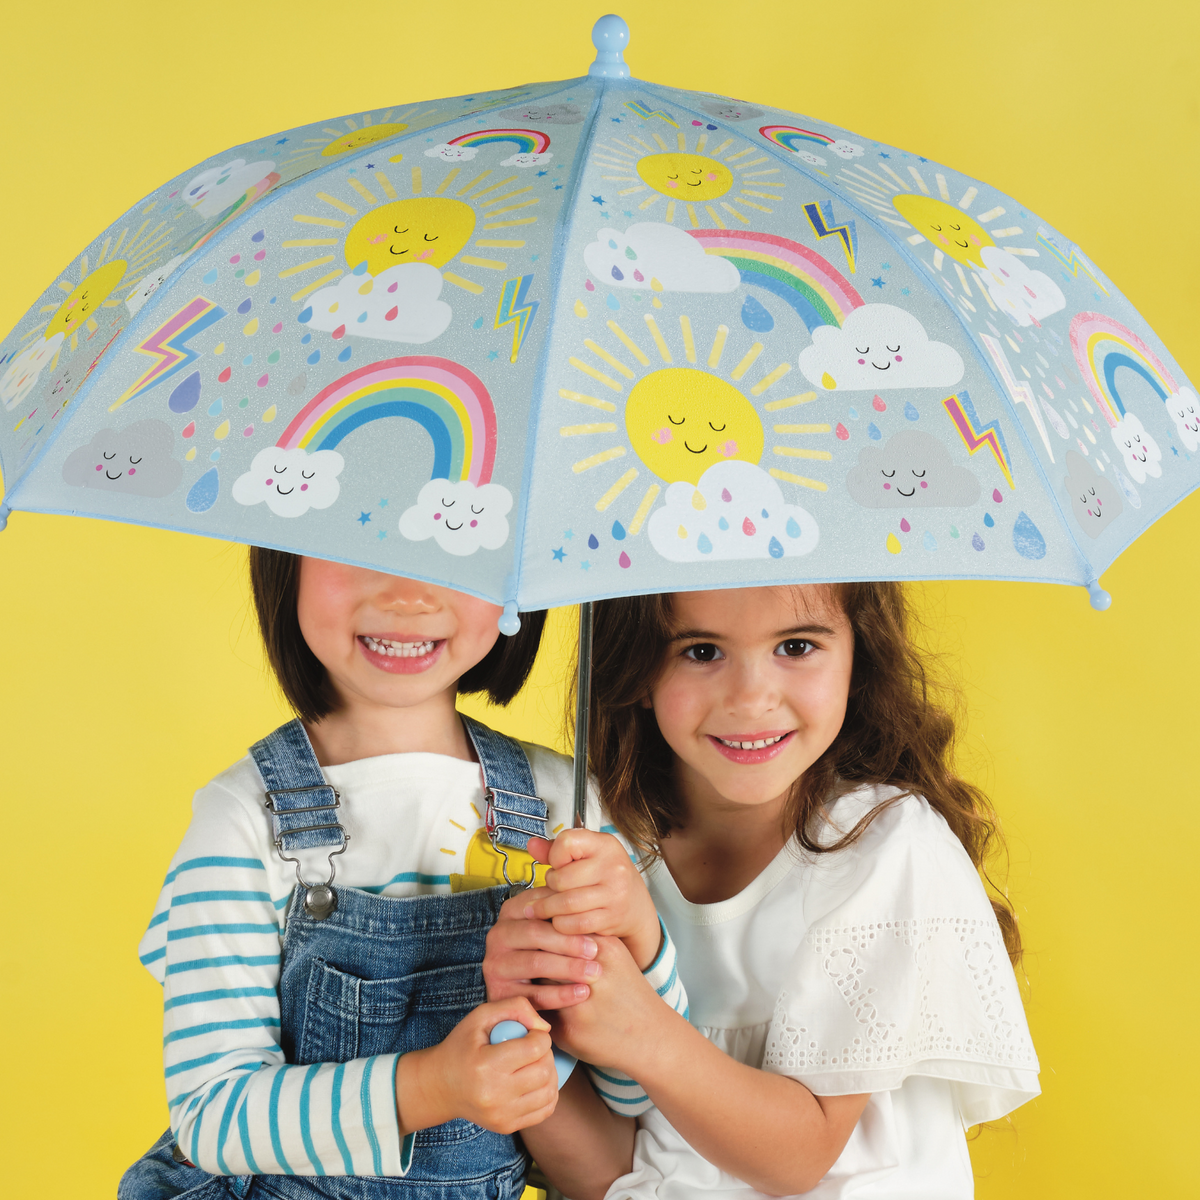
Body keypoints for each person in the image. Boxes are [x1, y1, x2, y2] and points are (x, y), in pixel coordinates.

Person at [119, 550, 686, 1200]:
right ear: (284, 563)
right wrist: (433, 1085)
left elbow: (637, 1095)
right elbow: (211, 1115)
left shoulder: (566, 810)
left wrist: (639, 932)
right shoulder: (245, 821)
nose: (408, 595)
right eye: (358, 550)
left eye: (455, 551)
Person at [484, 582, 1039, 1199]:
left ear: (860, 657)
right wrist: (525, 1032)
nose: (750, 699)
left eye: (796, 646)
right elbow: (607, 1176)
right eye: (700, 651)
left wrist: (641, 1028)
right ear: (638, 667)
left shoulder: (883, 846)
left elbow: (798, 1160)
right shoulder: (598, 850)